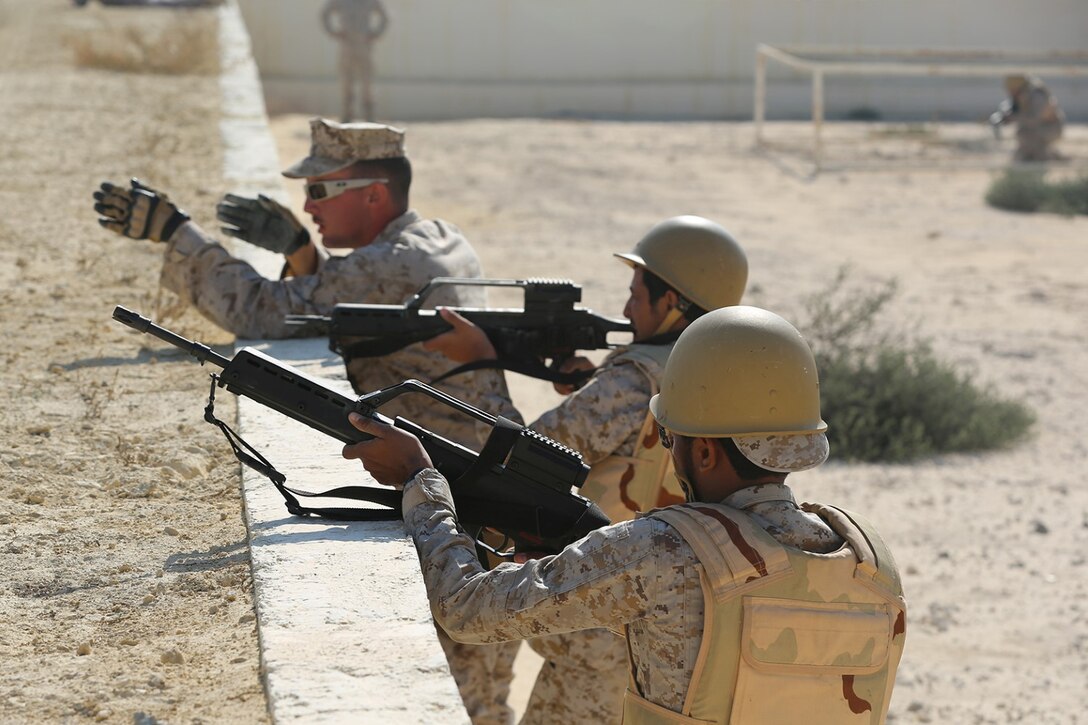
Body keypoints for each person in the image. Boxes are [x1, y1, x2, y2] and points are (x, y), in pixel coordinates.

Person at [92, 117, 518, 725]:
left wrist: (175, 232)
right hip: (470, 499)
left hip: (454, 511)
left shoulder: (391, 263)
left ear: (373, 194)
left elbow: (261, 311)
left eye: (320, 191)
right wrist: (302, 254)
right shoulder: (437, 238)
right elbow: (344, 309)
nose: (308, 205)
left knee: (465, 697)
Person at [346, 305, 908, 724]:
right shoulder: (869, 561)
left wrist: (421, 484)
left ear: (705, 451)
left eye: (669, 436)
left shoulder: (661, 549)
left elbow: (467, 609)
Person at [422, 216, 748, 723]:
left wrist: (484, 365)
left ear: (672, 304)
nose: (624, 308)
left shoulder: (630, 380)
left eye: (637, 294)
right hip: (685, 633)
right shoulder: (731, 379)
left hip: (602, 634)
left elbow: (520, 462)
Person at [322, 0, 389, 121]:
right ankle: (347, 116)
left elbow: (385, 17)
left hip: (365, 46)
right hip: (346, 45)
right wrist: (333, 32)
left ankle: (369, 117)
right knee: (346, 82)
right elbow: (324, 14)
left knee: (367, 83)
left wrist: (376, 34)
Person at [989, 74, 1065, 162]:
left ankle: (1046, 158)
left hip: (1051, 128)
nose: (1011, 92)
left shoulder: (1037, 96)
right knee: (1023, 139)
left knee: (1027, 137)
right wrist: (1004, 116)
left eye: (1013, 89)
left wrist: (1013, 117)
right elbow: (1010, 108)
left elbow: (1035, 118)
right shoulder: (1021, 96)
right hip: (1036, 129)